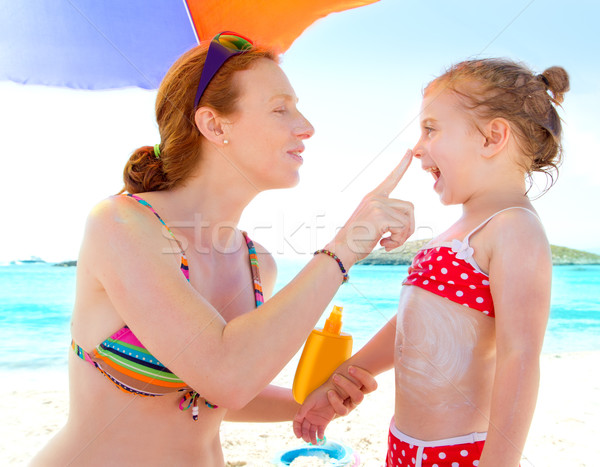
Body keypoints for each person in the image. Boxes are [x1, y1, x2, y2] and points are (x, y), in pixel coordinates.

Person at [30, 32, 415, 466]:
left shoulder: (258, 264)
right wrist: (345, 247)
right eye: (280, 108)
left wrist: (306, 402)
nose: (306, 126)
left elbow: (218, 396)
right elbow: (225, 375)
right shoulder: (121, 224)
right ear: (214, 125)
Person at [294, 58, 569, 466]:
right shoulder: (455, 231)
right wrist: (341, 381)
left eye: (431, 129)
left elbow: (520, 358)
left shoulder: (514, 228)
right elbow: (411, 328)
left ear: (492, 137)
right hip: (403, 446)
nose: (418, 148)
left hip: (463, 454)